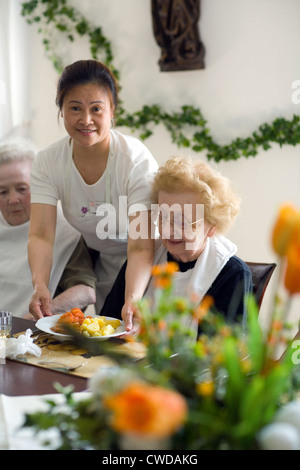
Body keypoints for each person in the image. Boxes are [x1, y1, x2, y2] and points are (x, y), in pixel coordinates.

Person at [28, 59, 158, 328]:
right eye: (75, 108)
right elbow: (41, 234)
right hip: (104, 262)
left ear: (112, 112)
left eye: (96, 109)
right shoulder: (48, 162)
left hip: (151, 263)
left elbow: (140, 245)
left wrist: (133, 297)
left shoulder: (135, 161)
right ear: (62, 111)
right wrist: (40, 284)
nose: (85, 120)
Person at [101, 156, 252, 334]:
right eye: (163, 217)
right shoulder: (146, 258)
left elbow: (221, 354)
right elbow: (109, 324)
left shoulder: (232, 274)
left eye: (182, 221)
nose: (168, 230)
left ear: (212, 226)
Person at [0, 139, 97, 318]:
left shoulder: (65, 230)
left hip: (30, 335)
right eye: (2, 192)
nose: (12, 200)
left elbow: (86, 291)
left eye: (22, 189)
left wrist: (34, 319)